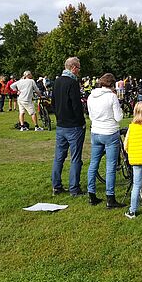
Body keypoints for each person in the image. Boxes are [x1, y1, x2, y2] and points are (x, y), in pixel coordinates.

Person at [86, 73, 125, 208]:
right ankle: (110, 197)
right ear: (112, 85)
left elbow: (90, 115)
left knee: (93, 163)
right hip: (110, 132)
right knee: (111, 165)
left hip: (96, 131)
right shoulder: (112, 97)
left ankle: (91, 194)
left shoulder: (91, 96)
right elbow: (119, 117)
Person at [51, 57, 86, 197]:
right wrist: (81, 121)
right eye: (78, 68)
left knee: (59, 157)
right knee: (76, 157)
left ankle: (56, 185)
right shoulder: (72, 83)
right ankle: (74, 188)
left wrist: (59, 116)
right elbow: (76, 105)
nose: (78, 71)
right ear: (73, 67)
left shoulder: (57, 81)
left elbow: (53, 102)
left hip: (61, 125)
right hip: (74, 125)